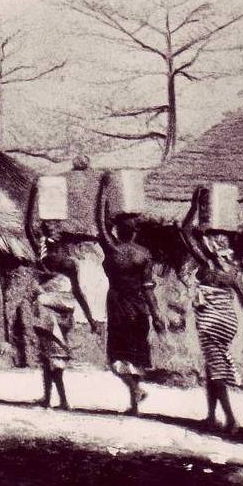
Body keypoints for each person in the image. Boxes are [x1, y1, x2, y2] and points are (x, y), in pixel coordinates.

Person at [181, 187, 243, 434]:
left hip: (210, 320)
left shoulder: (207, 266)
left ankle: (231, 418)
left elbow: (185, 232)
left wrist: (194, 206)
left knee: (216, 368)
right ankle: (211, 416)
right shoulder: (233, 273)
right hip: (228, 323)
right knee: (213, 366)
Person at [96, 175, 166, 416]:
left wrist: (103, 191)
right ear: (135, 231)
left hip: (117, 304)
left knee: (116, 356)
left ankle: (135, 393)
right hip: (138, 307)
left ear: (118, 229)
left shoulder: (112, 249)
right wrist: (156, 315)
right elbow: (148, 287)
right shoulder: (143, 254)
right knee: (134, 355)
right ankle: (135, 398)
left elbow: (100, 224)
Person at [26, 190, 99, 410]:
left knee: (54, 357)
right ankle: (50, 399)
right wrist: (34, 197)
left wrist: (90, 316)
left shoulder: (62, 263)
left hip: (59, 311)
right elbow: (29, 227)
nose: (54, 230)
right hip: (49, 311)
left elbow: (77, 291)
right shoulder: (45, 260)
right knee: (49, 356)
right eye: (50, 227)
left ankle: (63, 400)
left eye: (57, 228)